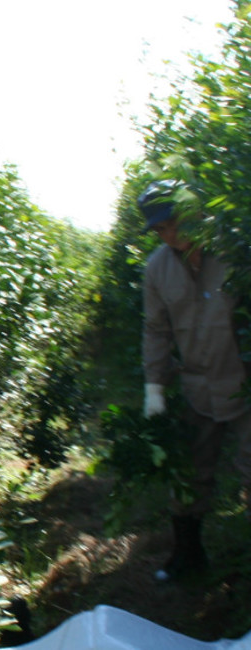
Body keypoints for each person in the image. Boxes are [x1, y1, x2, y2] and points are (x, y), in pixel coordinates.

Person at [138, 179, 251, 582]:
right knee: (189, 474)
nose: (171, 234)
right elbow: (156, 329)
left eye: (175, 221)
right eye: (161, 229)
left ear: (194, 210)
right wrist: (155, 387)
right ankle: (188, 554)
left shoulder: (236, 252)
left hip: (243, 383)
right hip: (197, 387)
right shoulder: (157, 268)